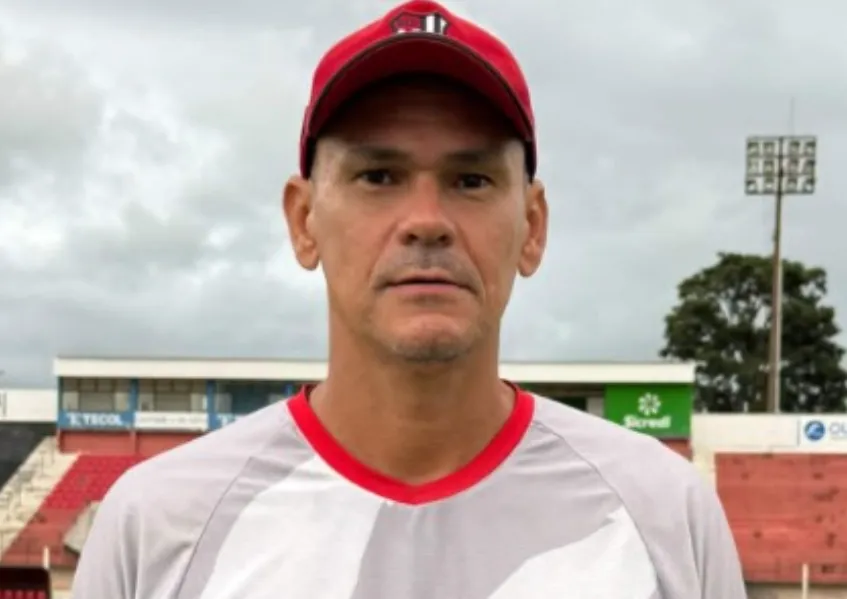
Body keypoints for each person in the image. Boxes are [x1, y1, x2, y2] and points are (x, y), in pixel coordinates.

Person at [71, 1, 747, 597]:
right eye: (379, 175)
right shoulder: (156, 522)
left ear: (532, 227)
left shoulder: (664, 513)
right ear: (303, 221)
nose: (426, 218)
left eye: (471, 179)